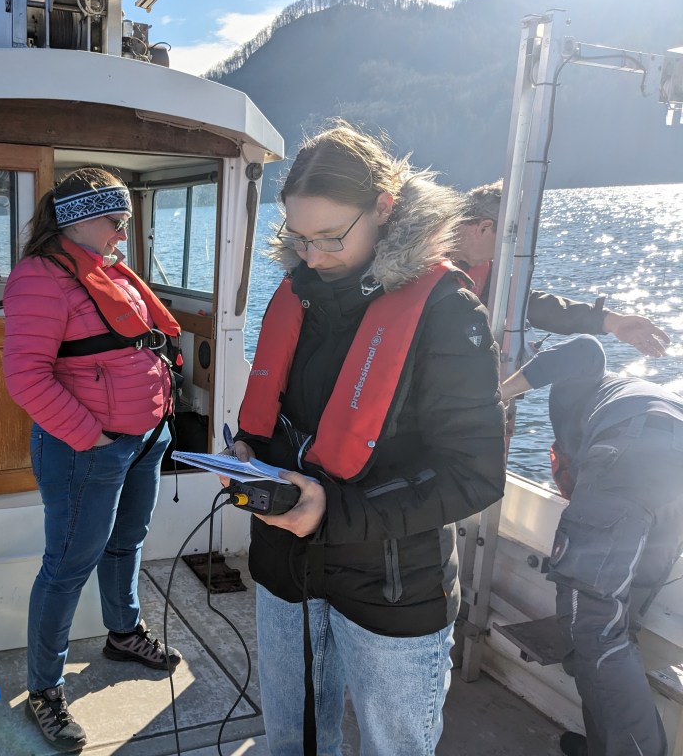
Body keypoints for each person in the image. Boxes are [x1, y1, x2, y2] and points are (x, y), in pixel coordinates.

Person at [227, 121, 507, 755]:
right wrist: (248, 450)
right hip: (287, 572)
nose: (313, 257)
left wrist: (334, 511)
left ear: (383, 208)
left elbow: (474, 474)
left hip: (392, 588)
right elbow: (278, 415)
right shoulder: (297, 296)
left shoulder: (447, 311)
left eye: (331, 237)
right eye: (299, 238)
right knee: (291, 742)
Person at [2, 167, 182, 751]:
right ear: (76, 221)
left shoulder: (107, 270)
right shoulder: (39, 279)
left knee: (126, 543)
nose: (122, 235)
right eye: (115, 221)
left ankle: (123, 634)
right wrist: (92, 437)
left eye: (125, 222)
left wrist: (154, 423)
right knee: (66, 567)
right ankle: (44, 688)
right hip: (88, 450)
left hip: (143, 439)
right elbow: (25, 377)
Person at [501, 335, 683, 756]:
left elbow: (585, 348)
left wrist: (496, 396)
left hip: (632, 453)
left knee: (593, 627)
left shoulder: (577, 396)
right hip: (671, 471)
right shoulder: (620, 393)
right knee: (618, 626)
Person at [456, 179, 671, 357]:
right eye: (508, 242)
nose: (508, 253)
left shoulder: (485, 270)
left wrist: (611, 321)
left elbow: (528, 304)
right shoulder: (436, 267)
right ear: (484, 228)